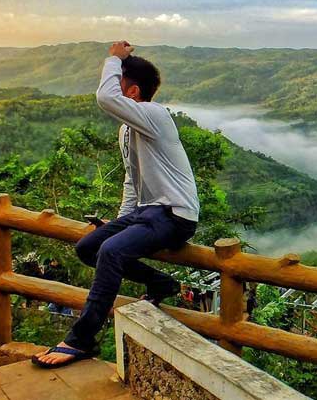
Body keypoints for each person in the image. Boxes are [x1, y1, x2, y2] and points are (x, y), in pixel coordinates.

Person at [33, 41, 200, 369]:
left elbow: (105, 97)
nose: (114, 88)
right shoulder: (129, 129)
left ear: (133, 91)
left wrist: (114, 58)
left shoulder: (155, 114)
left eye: (120, 82)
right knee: (88, 248)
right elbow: (132, 181)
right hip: (148, 212)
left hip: (175, 214)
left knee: (111, 251)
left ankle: (81, 339)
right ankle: (160, 283)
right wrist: (119, 222)